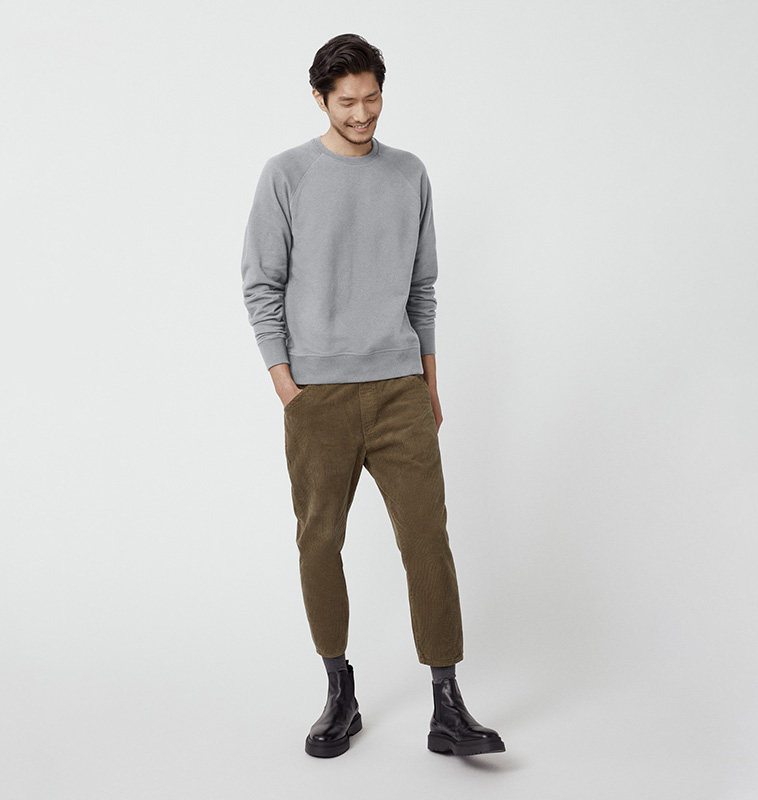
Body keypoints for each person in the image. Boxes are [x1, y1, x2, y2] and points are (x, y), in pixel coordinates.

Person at [240, 32, 505, 758]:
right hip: (317, 398)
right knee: (319, 540)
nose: (362, 114)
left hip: (399, 392)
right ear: (320, 99)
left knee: (427, 540)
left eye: (373, 99)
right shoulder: (287, 175)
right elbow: (261, 285)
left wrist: (429, 383)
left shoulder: (408, 173)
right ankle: (339, 691)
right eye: (347, 102)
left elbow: (423, 289)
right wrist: (287, 385)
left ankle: (447, 703)